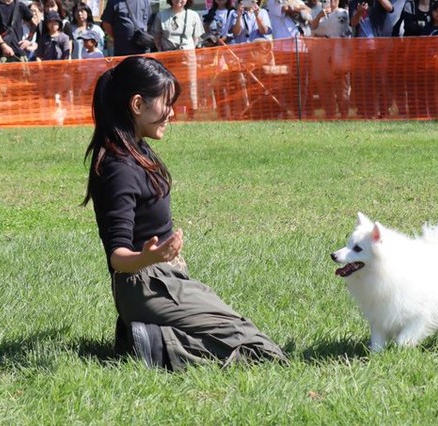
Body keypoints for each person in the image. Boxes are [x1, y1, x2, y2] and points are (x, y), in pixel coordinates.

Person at [82, 56, 287, 370]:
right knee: (262, 352)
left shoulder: (135, 147)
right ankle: (153, 346)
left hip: (161, 277)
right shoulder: (117, 167)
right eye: (166, 103)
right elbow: (118, 257)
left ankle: (145, 337)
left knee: (246, 335)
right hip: (146, 283)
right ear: (137, 104)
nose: (172, 113)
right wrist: (151, 256)